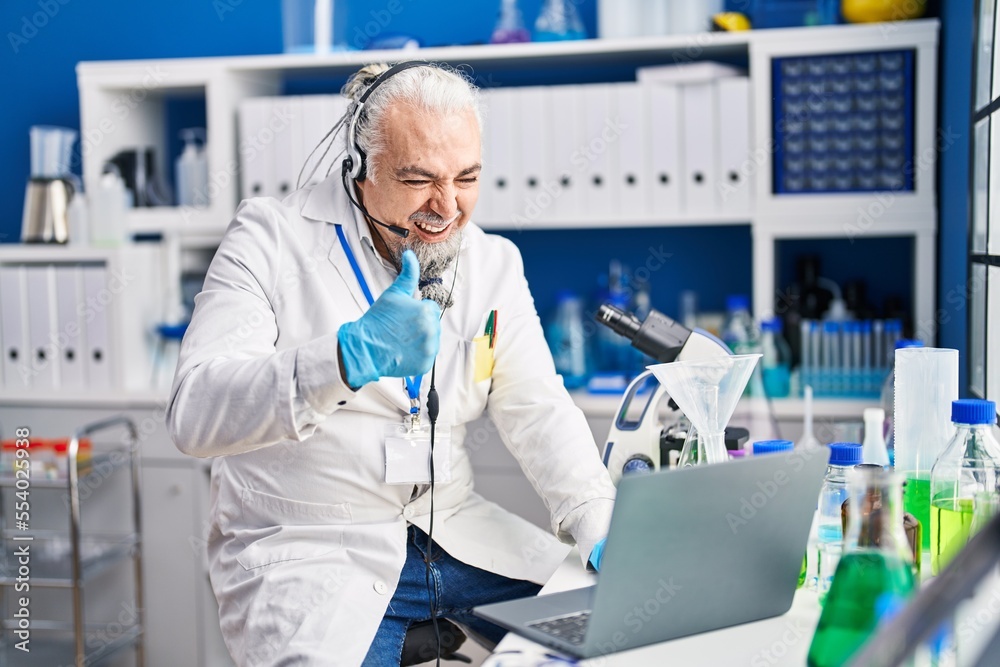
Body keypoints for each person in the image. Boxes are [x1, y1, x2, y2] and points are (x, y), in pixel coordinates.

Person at [167, 61, 616, 666]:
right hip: (313, 550)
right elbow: (195, 414)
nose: (447, 207)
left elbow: (537, 406)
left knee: (614, 624)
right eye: (419, 180)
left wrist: (596, 518)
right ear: (359, 167)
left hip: (453, 537)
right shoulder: (269, 240)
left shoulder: (491, 262)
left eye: (467, 178)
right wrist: (345, 360)